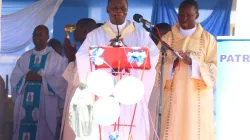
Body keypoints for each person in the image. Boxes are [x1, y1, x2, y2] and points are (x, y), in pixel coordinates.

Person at [76, 0, 159, 139]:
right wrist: (104, 52)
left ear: (127, 10)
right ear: (107, 9)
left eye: (122, 7)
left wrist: (127, 52)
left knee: (130, 128)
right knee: (103, 129)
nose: (118, 10)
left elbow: (153, 56)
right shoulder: (95, 35)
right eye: (113, 7)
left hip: (129, 93)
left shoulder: (141, 35)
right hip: (104, 94)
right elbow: (82, 57)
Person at [151, 0, 217, 140]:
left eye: (189, 15)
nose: (184, 19)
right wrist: (171, 65)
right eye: (181, 15)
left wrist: (192, 62)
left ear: (197, 15)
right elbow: (155, 69)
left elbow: (215, 69)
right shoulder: (166, 39)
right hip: (172, 99)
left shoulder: (208, 40)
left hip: (197, 100)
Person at [10, 25, 67, 140]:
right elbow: (14, 78)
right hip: (24, 108)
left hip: (45, 107)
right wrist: (25, 77)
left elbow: (62, 81)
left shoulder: (56, 59)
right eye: (35, 34)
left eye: (40, 34)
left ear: (47, 37)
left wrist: (42, 79)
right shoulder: (25, 57)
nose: (37, 37)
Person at [60, 18, 97, 140]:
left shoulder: (89, 50)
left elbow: (76, 80)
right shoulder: (83, 49)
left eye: (77, 28)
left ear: (85, 30)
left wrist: (71, 60)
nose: (74, 32)